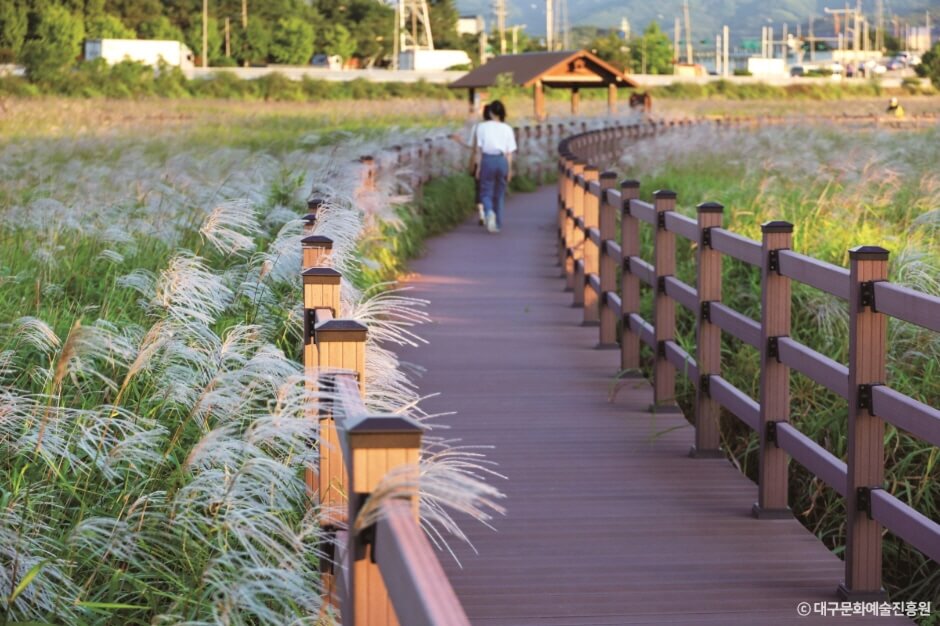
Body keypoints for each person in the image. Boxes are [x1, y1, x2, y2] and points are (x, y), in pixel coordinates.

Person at [474, 100, 516, 233]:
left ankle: (489, 212)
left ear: (490, 112)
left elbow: (479, 150)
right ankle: (497, 224)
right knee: (499, 193)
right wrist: (509, 170)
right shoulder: (507, 128)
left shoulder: (482, 127)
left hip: (487, 159)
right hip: (501, 160)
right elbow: (509, 153)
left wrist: (478, 167)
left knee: (485, 191)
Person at [451, 102, 492, 225]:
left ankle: (481, 214)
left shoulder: (477, 127)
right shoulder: (501, 127)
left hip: (478, 160)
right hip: (494, 160)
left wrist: (459, 141)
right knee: (491, 187)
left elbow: (471, 146)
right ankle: (490, 211)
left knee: (479, 188)